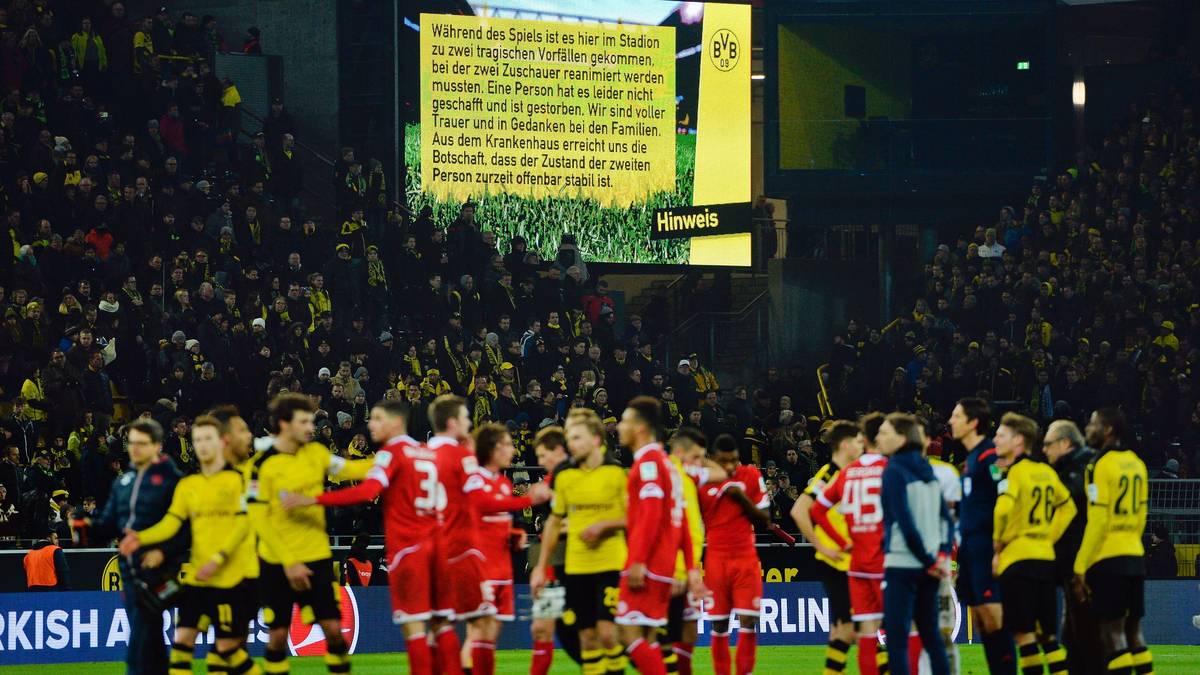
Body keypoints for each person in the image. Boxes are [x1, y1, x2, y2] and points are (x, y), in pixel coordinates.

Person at [281, 399, 442, 675]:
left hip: (408, 547)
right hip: (436, 545)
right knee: (437, 623)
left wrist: (312, 499)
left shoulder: (392, 454)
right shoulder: (427, 453)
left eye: (377, 419)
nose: (371, 425)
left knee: (413, 626)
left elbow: (366, 492)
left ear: (395, 422)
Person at [119, 415, 259, 675]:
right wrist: (141, 538)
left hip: (231, 578)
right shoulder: (188, 485)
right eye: (197, 440)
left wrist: (218, 558)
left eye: (208, 439)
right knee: (181, 644)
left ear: (221, 442)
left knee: (228, 651)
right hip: (198, 579)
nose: (202, 445)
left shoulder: (240, 481)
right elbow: (172, 523)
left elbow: (244, 525)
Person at [246, 393, 372, 675]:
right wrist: (289, 561)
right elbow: (258, 520)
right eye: (304, 422)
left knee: (334, 630)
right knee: (277, 635)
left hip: (315, 556)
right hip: (277, 561)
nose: (310, 428)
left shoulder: (315, 453)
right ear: (284, 423)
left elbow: (351, 468)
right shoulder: (259, 465)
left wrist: (392, 459)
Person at [531, 409, 629, 675]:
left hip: (608, 565)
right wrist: (540, 566)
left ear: (596, 439)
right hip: (568, 569)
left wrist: (602, 525)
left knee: (607, 633)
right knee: (570, 635)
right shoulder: (563, 477)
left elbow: (636, 518)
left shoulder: (616, 473)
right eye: (569, 438)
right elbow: (553, 522)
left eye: (576, 438)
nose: (571, 444)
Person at [86, 419, 185, 675]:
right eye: (132, 443)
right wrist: (86, 525)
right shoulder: (123, 482)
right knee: (150, 641)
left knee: (137, 648)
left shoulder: (173, 482)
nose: (135, 449)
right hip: (129, 575)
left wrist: (162, 551)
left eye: (142, 444)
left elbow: (187, 529)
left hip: (160, 573)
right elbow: (108, 524)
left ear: (157, 446)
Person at [614, 396, 705, 675]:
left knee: (627, 634)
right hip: (666, 562)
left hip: (650, 562)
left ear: (640, 428)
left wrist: (638, 560)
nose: (619, 427)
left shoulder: (649, 464)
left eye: (626, 421)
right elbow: (681, 523)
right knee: (650, 638)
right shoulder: (669, 466)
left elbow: (651, 515)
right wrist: (690, 567)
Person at [810, 413, 905, 675]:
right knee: (898, 630)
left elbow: (817, 511)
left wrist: (843, 542)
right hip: (885, 562)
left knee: (865, 633)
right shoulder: (891, 470)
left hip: (858, 565)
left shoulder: (847, 473)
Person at [462, 423, 552, 674]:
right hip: (480, 566)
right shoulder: (474, 479)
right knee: (480, 629)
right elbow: (483, 506)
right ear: (492, 449)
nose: (512, 450)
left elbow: (493, 519)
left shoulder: (502, 483)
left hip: (502, 567)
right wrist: (528, 499)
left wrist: (513, 535)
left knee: (492, 631)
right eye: (507, 444)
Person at [990, 412, 1074, 674]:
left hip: (1018, 559)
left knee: (1024, 636)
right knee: (1047, 637)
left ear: (1018, 440)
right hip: (1045, 559)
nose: (995, 439)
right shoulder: (1046, 471)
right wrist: (1048, 536)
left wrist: (997, 545)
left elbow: (1002, 510)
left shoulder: (1015, 473)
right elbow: (1068, 507)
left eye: (1001, 435)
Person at [1072, 408, 1154, 674]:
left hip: (1109, 558)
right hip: (1134, 554)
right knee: (1134, 633)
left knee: (1112, 634)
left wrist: (1081, 565)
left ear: (1107, 430)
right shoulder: (1137, 464)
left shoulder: (1099, 465)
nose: (1087, 429)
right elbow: (1142, 514)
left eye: (1092, 424)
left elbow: (1098, 520)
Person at [876, 413, 954, 675]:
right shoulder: (927, 469)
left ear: (900, 437)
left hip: (902, 563)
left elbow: (903, 521)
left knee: (897, 639)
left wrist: (926, 557)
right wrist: (940, 555)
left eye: (884, 433)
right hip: (930, 568)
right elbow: (946, 520)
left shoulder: (894, 471)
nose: (878, 438)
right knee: (932, 636)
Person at [425, 394, 496, 674]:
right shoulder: (460, 455)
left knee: (441, 623)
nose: (470, 423)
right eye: (466, 418)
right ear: (453, 422)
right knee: (483, 622)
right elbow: (481, 499)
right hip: (460, 548)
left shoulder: (421, 454)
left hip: (431, 550)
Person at [790, 420, 861, 675]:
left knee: (847, 628)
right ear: (845, 445)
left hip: (852, 560)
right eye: (858, 441)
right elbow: (799, 511)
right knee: (856, 627)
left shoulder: (852, 473)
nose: (862, 445)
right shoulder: (829, 474)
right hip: (835, 561)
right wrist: (823, 546)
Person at [948, 397, 1013, 673]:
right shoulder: (972, 460)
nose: (951, 421)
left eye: (957, 416)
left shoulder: (989, 457)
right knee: (986, 621)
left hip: (988, 550)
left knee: (995, 619)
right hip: (972, 553)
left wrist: (1000, 551)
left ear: (973, 423)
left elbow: (1006, 498)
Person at [699, 433, 770, 675]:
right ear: (713, 459)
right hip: (716, 560)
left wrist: (740, 497)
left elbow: (765, 519)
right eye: (724, 461)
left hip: (745, 559)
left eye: (734, 460)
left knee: (749, 622)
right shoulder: (704, 482)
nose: (730, 466)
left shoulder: (750, 475)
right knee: (719, 625)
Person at [1043, 419, 1104, 675]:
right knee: (1075, 636)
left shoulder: (1083, 469)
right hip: (1075, 564)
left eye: (1048, 444)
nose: (1044, 450)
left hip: (1085, 565)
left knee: (1085, 635)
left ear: (1065, 443)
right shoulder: (1082, 465)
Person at [662, 427, 722, 675]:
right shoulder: (667, 473)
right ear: (680, 452)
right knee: (665, 630)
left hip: (689, 564)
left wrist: (697, 454)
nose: (700, 463)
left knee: (689, 626)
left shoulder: (687, 474)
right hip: (670, 566)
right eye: (696, 457)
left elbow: (719, 473)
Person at [528, 425, 570, 675]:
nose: (541, 462)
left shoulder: (575, 474)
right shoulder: (550, 479)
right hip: (552, 558)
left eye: (544, 456)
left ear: (558, 450)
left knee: (592, 635)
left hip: (576, 561)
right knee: (541, 629)